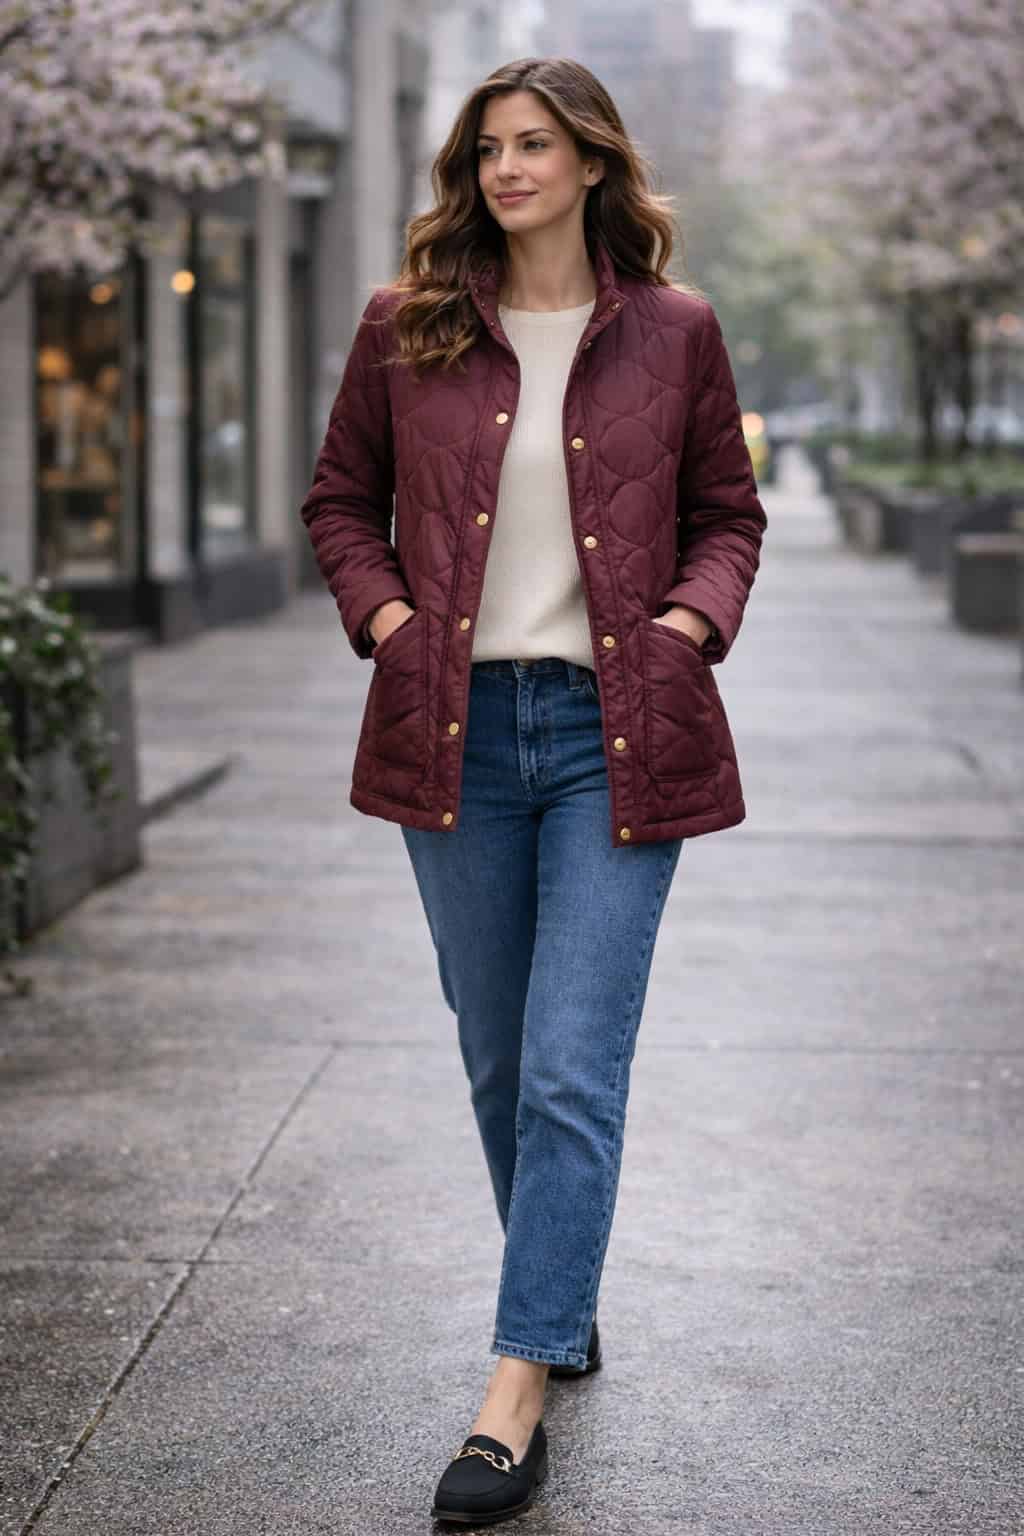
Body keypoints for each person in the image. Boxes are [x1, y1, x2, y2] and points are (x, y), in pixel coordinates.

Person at [299, 55, 767, 1527]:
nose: (508, 168)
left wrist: (690, 628)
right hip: (455, 732)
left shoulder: (675, 334)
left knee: (572, 1064)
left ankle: (515, 1388)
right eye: (489, 147)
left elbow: (725, 519)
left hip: (610, 734)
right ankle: (556, 1291)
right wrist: (387, 622)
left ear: (590, 165)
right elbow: (337, 503)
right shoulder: (408, 326)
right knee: (501, 1063)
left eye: (535, 145)